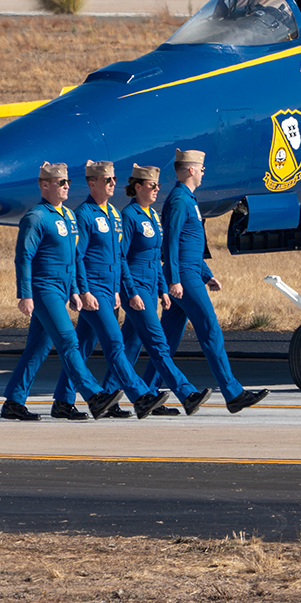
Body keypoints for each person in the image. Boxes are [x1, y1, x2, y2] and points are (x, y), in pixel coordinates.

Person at [24, 161, 164, 420]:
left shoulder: (113, 214)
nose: (113, 183)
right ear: (92, 182)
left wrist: (121, 290)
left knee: (81, 346)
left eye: (113, 179)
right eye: (107, 179)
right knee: (113, 342)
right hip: (90, 289)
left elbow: (119, 258)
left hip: (108, 291)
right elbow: (78, 257)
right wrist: (83, 291)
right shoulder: (84, 214)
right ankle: (140, 396)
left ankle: (62, 402)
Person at [1, 163, 121, 422]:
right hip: (44, 288)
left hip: (63, 288)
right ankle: (94, 395)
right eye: (60, 182)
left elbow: (76, 257)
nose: (66, 186)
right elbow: (24, 257)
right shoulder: (36, 217)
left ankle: (14, 401)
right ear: (44, 185)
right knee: (68, 340)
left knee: (38, 348)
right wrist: (25, 294)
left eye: (67, 182)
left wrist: (77, 290)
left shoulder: (67, 216)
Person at [160, 149, 267, 414]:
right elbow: (171, 243)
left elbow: (190, 245)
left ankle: (149, 393)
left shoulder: (188, 199)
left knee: (165, 340)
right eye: (200, 167)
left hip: (191, 273)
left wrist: (207, 275)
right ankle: (232, 393)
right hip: (183, 277)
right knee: (210, 330)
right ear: (189, 170)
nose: (203, 172)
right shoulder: (179, 200)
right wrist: (174, 279)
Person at [120, 163, 207, 415]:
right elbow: (121, 257)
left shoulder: (152, 216)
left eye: (159, 185)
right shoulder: (130, 215)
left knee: (129, 345)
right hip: (135, 285)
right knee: (158, 343)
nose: (157, 189)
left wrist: (162, 290)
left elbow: (157, 258)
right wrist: (130, 291)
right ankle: (187, 393)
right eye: (152, 186)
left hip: (149, 286)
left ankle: (111, 396)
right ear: (138, 187)